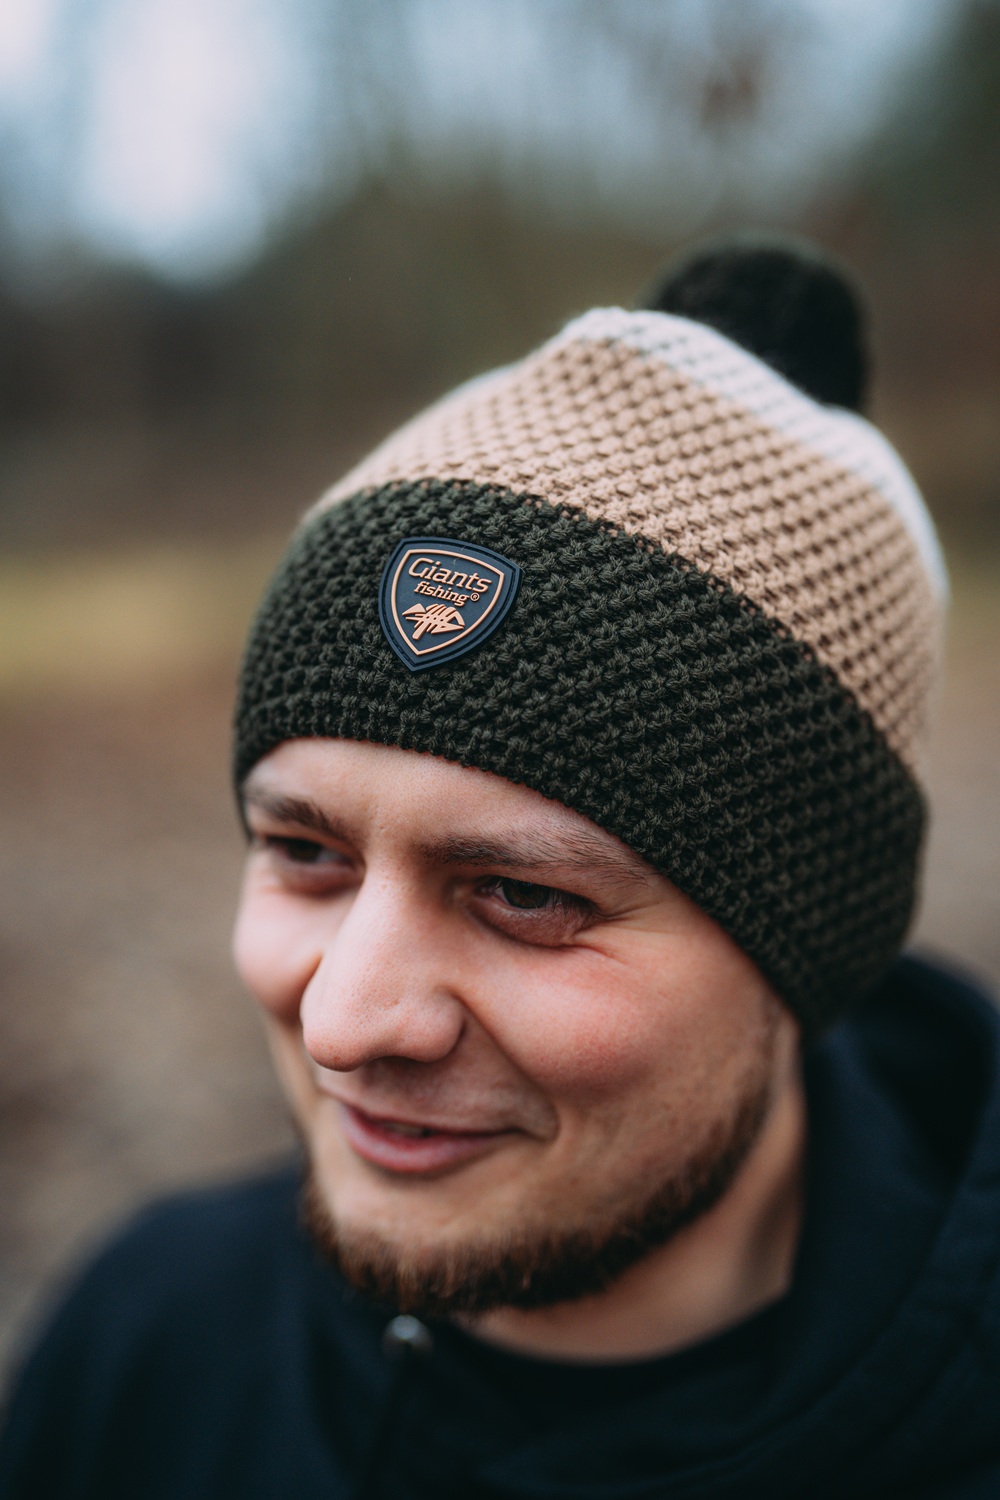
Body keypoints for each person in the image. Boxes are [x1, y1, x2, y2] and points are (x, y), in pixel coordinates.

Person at [2, 239, 999, 1500]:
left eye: (525, 896)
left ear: (815, 945)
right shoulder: (142, 1350)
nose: (345, 1020)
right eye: (306, 853)